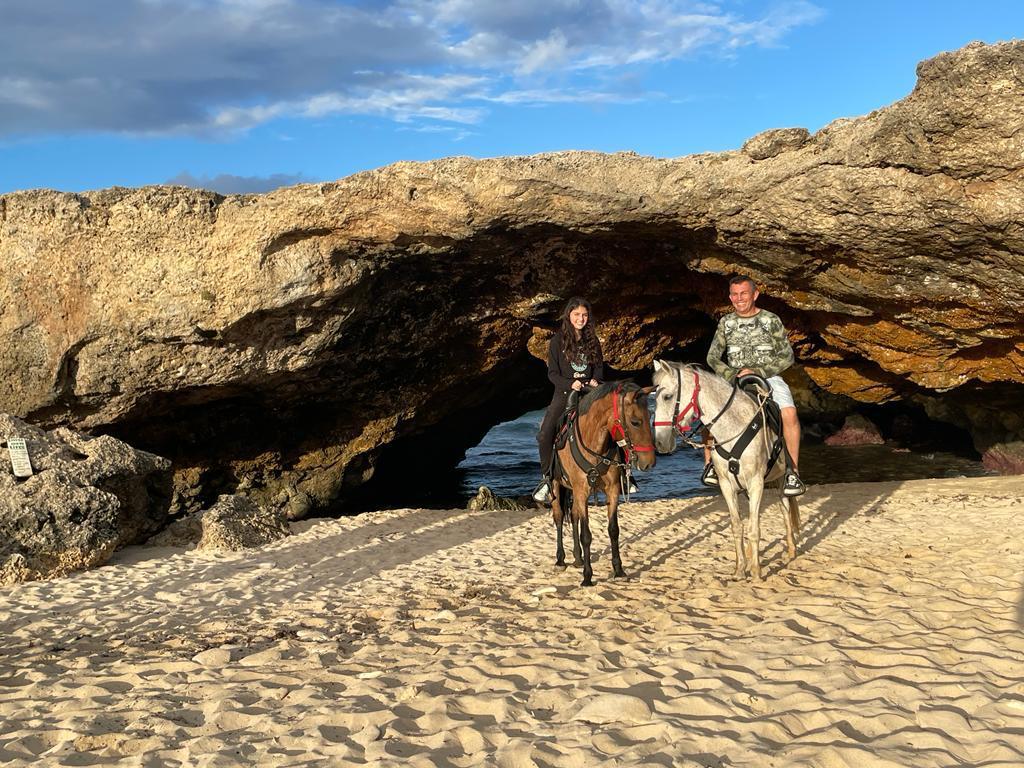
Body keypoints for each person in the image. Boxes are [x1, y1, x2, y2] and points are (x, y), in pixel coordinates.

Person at [704, 275, 805, 496]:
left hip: (768, 378)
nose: (739, 298)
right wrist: (732, 373)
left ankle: (792, 472)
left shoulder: (771, 320)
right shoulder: (725, 323)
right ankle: (711, 466)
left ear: (755, 294)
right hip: (734, 379)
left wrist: (758, 371)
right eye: (735, 294)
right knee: (708, 413)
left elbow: (787, 356)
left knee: (789, 414)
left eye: (744, 293)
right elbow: (712, 358)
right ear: (730, 297)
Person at [532, 297, 604, 504]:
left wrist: (595, 380)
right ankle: (546, 479)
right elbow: (552, 374)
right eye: (576, 315)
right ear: (568, 316)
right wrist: (570, 383)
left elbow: (598, 368)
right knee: (544, 435)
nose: (581, 318)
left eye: (584, 315)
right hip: (564, 395)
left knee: (616, 421)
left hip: (589, 395)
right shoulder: (557, 341)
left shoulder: (593, 341)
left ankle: (626, 477)